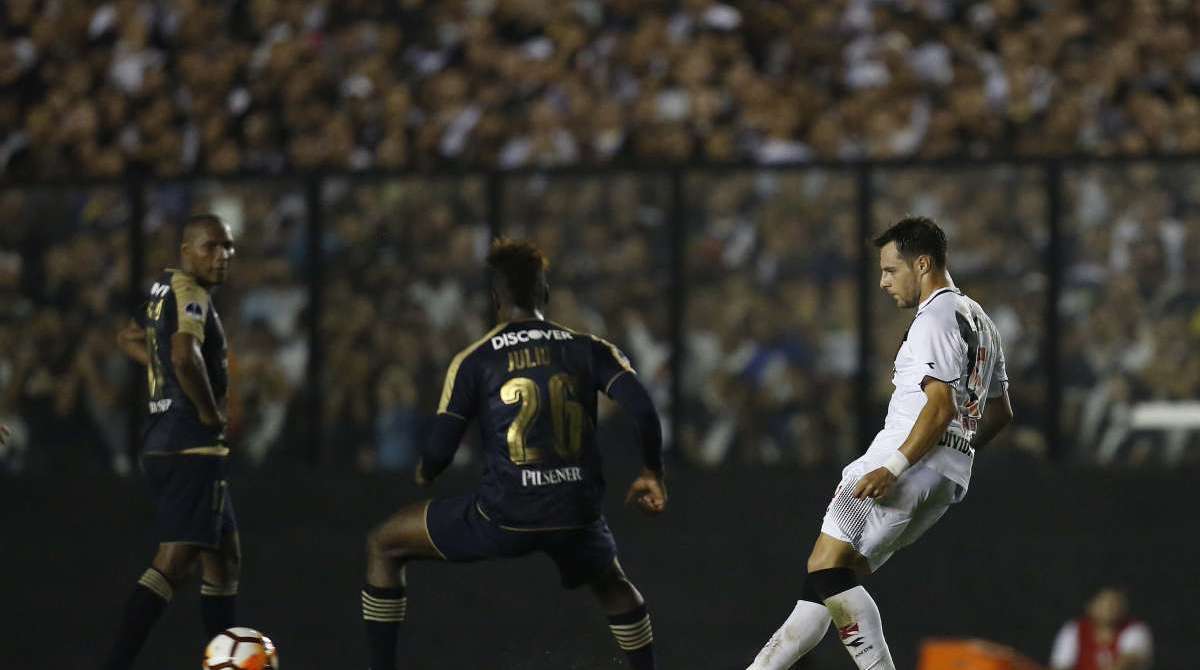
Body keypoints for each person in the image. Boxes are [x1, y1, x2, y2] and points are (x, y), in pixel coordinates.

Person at [361, 238, 667, 670]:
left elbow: (439, 452)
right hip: (574, 513)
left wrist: (425, 472)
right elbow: (641, 408)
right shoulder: (587, 347)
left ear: (495, 299)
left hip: (505, 514)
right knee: (615, 586)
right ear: (545, 293)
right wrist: (652, 470)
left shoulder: (474, 361)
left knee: (384, 544)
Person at [746, 216, 1014, 670]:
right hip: (946, 472)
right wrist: (955, 453)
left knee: (825, 568)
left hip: (903, 462)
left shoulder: (936, 315)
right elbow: (1001, 411)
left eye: (891, 270)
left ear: (923, 263)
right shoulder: (981, 320)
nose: (885, 282)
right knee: (827, 587)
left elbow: (939, 406)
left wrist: (893, 466)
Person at [103, 214, 239, 670]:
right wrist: (207, 410)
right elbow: (184, 354)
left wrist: (160, 373)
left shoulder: (162, 289)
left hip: (165, 439)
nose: (221, 257)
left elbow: (128, 338)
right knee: (173, 563)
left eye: (228, 247)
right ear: (186, 250)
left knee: (224, 558)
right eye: (210, 247)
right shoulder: (190, 293)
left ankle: (230, 663)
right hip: (190, 443)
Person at [1050, 588, 1153, 670]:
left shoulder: (1136, 630)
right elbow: (1060, 666)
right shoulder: (1073, 630)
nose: (1110, 609)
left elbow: (1126, 664)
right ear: (1089, 606)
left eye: (1115, 603)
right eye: (1104, 603)